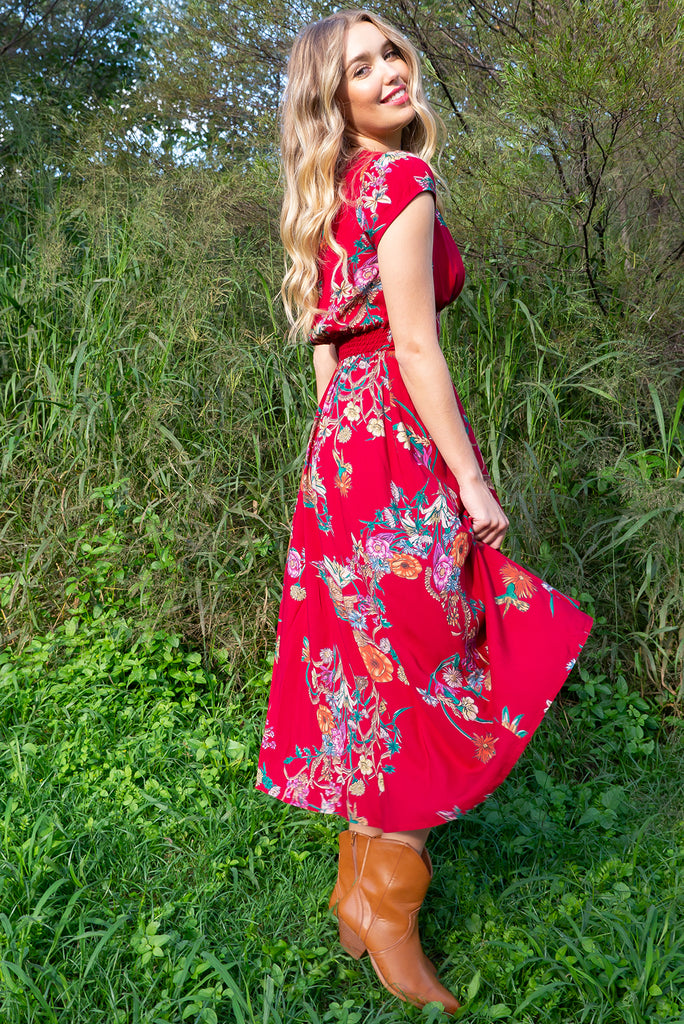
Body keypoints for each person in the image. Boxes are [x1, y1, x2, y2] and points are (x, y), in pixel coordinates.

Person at [255, 8, 593, 1015]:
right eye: (363, 67)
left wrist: (340, 456)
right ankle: (392, 917)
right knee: (428, 671)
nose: (392, 72)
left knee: (373, 670)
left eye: (391, 51)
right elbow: (415, 348)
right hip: (396, 445)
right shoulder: (400, 181)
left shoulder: (323, 193)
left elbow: (328, 354)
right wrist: (472, 482)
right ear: (336, 96)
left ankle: (361, 900)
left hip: (341, 452)